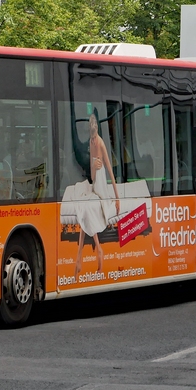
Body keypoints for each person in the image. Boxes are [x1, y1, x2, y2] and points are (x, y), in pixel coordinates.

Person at [72, 114, 121, 278]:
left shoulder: (100, 143)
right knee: (83, 207)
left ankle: (92, 252)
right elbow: (92, 175)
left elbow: (110, 171)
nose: (92, 139)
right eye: (91, 136)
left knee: (88, 208)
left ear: (96, 130)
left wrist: (117, 197)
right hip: (94, 184)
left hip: (101, 189)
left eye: (93, 135)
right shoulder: (92, 143)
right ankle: (85, 254)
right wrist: (93, 166)